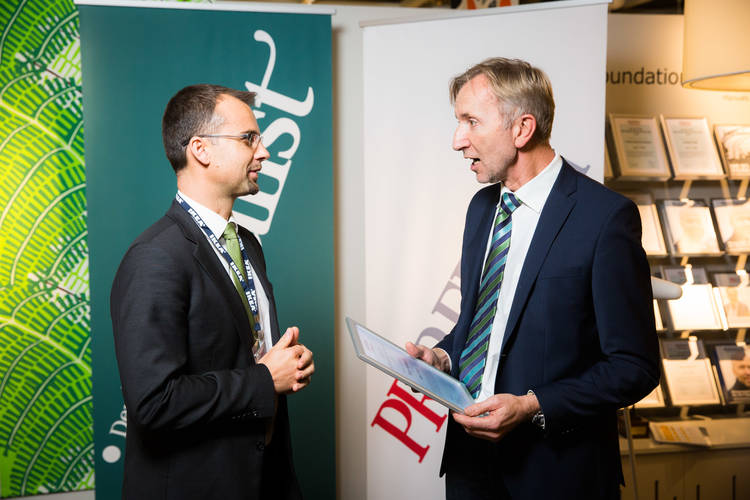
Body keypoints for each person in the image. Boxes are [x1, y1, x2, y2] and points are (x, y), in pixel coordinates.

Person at [406, 58, 660, 499]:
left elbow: (634, 367)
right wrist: (443, 358)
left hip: (557, 476)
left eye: (471, 122)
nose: (457, 140)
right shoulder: (482, 208)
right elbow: (484, 324)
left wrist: (531, 406)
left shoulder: (605, 219)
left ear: (522, 129)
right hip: (469, 468)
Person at [110, 84, 314, 500]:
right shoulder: (154, 257)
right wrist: (264, 379)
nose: (264, 152)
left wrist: (285, 363)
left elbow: (239, 350)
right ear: (200, 150)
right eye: (248, 138)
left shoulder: (247, 244)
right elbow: (153, 402)